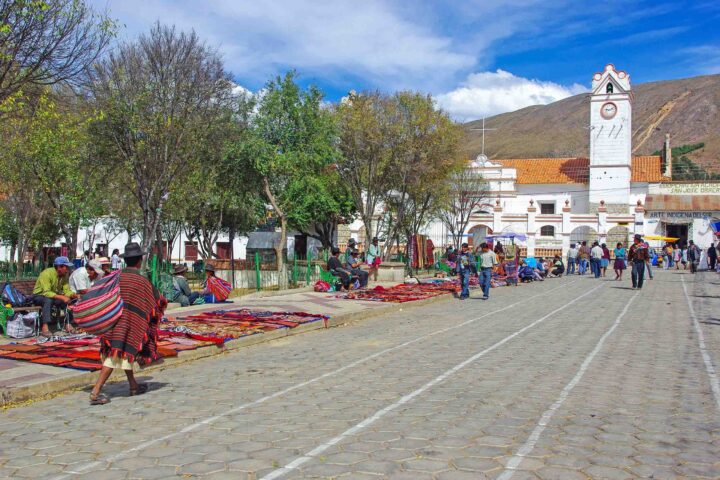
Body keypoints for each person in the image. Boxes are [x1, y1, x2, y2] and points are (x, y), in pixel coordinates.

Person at [89, 242, 161, 405]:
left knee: (125, 353)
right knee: (114, 356)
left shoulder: (115, 277)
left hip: (113, 320)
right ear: (139, 261)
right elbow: (155, 301)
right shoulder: (142, 280)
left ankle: (133, 386)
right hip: (128, 322)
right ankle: (96, 391)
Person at [32, 256, 79, 336]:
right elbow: (46, 292)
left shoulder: (64, 276)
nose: (68, 269)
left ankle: (68, 324)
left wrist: (73, 295)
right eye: (66, 267)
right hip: (39, 295)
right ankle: (45, 327)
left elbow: (66, 290)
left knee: (68, 301)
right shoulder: (46, 273)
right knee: (48, 300)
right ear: (59, 267)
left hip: (53, 296)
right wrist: (62, 297)